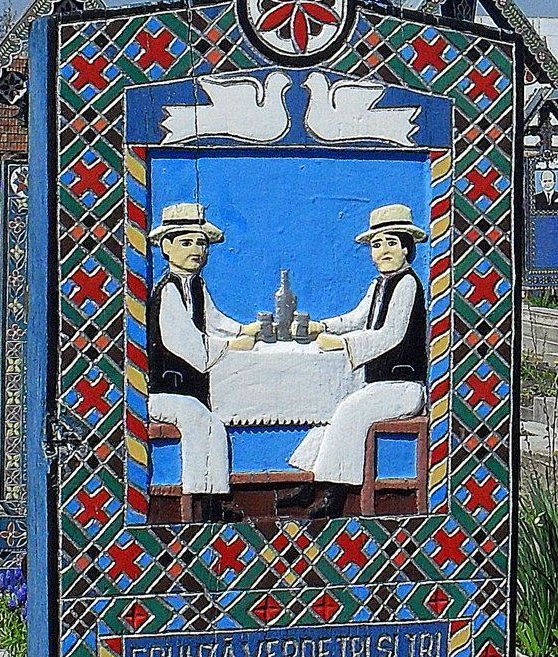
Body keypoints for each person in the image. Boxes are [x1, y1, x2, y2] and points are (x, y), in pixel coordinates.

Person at [281, 204, 428, 519]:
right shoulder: (379, 285)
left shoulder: (407, 285)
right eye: (377, 245)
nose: (384, 251)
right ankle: (310, 482)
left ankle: (335, 495)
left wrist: (341, 344)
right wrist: (324, 327)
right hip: (380, 384)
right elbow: (357, 318)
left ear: (407, 247)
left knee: (350, 411)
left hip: (403, 385)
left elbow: (390, 335)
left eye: (391, 242)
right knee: (331, 404)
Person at [146, 203, 258, 520]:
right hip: (167, 390)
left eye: (201, 243)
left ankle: (211, 500)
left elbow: (215, 320)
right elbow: (189, 346)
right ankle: (203, 505)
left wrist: (245, 330)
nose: (196, 250)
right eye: (186, 242)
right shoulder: (168, 291)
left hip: (190, 390)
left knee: (213, 420)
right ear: (166, 247)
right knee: (204, 424)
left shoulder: (195, 285)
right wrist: (233, 345)